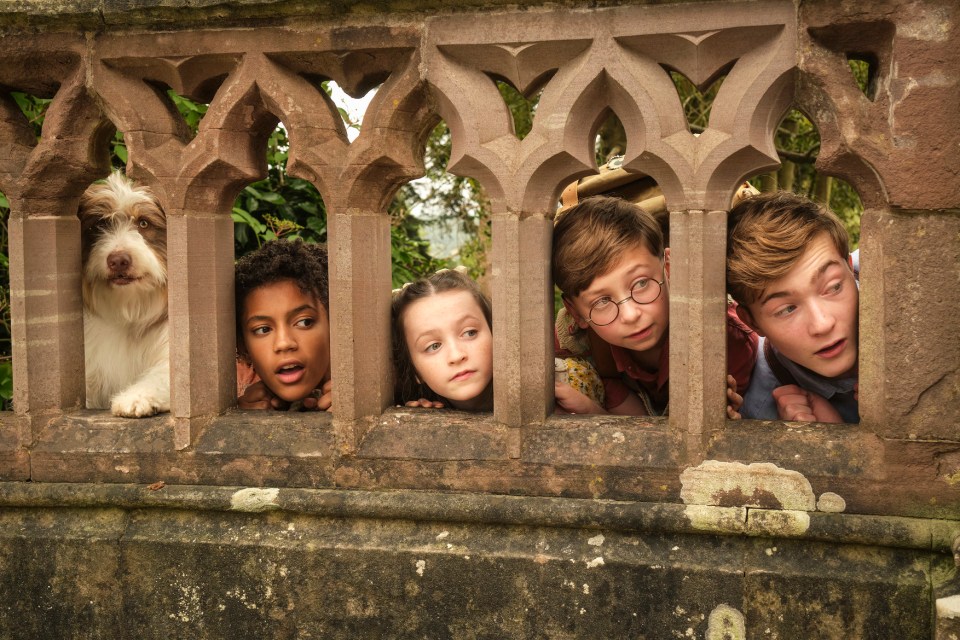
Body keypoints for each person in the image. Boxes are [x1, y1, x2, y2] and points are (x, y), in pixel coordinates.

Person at [553, 195, 757, 416]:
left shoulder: (725, 342)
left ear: (669, 267)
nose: (630, 315)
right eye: (602, 301)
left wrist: (594, 415)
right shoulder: (574, 339)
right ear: (576, 313)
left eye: (641, 283)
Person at [727, 191, 859, 423]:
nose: (822, 324)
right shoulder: (759, 410)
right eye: (787, 309)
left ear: (850, 267)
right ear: (752, 322)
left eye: (833, 287)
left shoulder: (902, 273)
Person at [235, 239, 332, 411]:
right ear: (243, 347)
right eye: (263, 330)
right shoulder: (242, 396)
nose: (284, 343)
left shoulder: (386, 386)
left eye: (304, 322)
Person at [392, 268, 494, 412]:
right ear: (415, 371)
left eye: (469, 333)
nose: (456, 356)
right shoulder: (423, 410)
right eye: (434, 346)